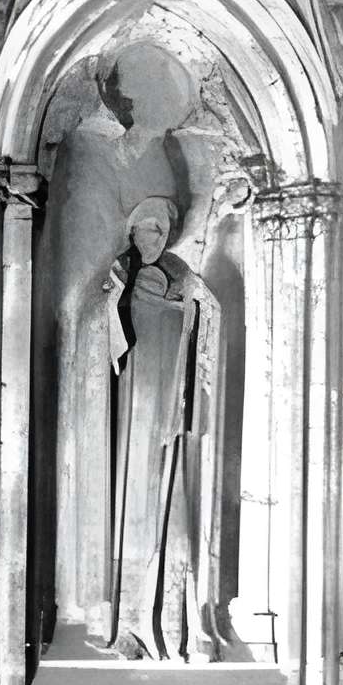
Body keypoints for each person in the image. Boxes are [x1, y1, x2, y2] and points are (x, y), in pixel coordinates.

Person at [100, 197, 220, 660]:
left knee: (166, 505)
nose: (155, 240)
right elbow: (104, 333)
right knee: (134, 503)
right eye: (148, 231)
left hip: (170, 402)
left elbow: (206, 316)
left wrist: (197, 308)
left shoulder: (180, 274)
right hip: (136, 403)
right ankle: (129, 620)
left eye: (162, 232)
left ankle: (173, 620)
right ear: (132, 232)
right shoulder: (121, 274)